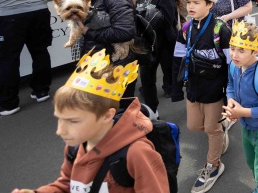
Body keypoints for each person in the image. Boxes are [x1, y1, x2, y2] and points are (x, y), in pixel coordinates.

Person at [11, 50, 169, 193]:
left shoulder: (137, 153)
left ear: (107, 116)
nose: (60, 131)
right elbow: (68, 184)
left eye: (73, 121)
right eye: (59, 119)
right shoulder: (75, 146)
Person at [171, 0, 232, 193]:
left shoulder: (220, 29)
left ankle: (213, 165)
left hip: (215, 88)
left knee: (211, 129)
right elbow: (178, 58)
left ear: (210, 4)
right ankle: (221, 127)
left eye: (197, 2)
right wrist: (175, 86)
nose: (191, 6)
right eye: (188, 2)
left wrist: (231, 93)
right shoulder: (186, 28)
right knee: (194, 126)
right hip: (193, 87)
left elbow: (231, 63)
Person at [224, 22, 258, 193]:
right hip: (246, 127)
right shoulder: (234, 65)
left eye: (241, 50)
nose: (235, 54)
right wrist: (231, 101)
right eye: (232, 48)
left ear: (255, 51)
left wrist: (241, 112)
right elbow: (231, 85)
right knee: (252, 163)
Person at [78, 0, 138, 96]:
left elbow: (125, 31)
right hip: (101, 63)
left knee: (116, 114)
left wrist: (88, 32)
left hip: (112, 66)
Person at [136, 0, 179, 115]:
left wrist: (153, 18)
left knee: (170, 71)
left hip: (164, 41)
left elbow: (169, 22)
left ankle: (172, 89)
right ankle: (152, 110)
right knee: (146, 77)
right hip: (147, 42)